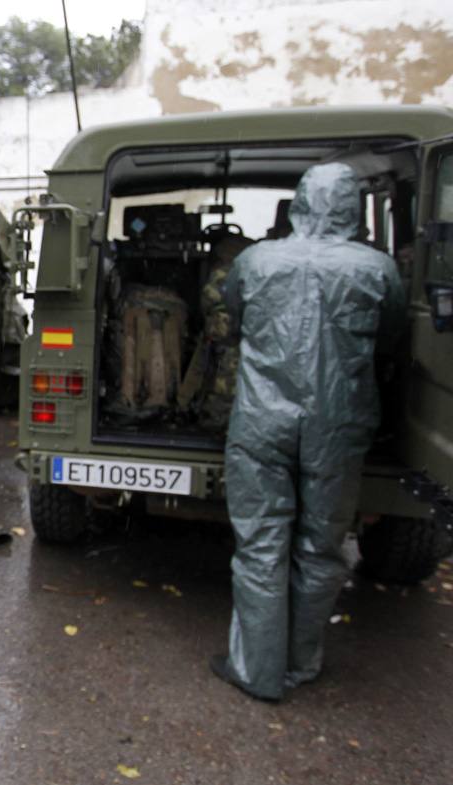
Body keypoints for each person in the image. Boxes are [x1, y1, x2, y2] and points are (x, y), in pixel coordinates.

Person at [211, 162, 406, 701]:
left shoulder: (255, 260)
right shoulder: (377, 268)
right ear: (352, 209)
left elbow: (233, 314)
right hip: (338, 425)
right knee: (321, 548)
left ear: (298, 202)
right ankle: (301, 664)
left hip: (260, 421)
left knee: (259, 543)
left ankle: (256, 670)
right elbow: (391, 337)